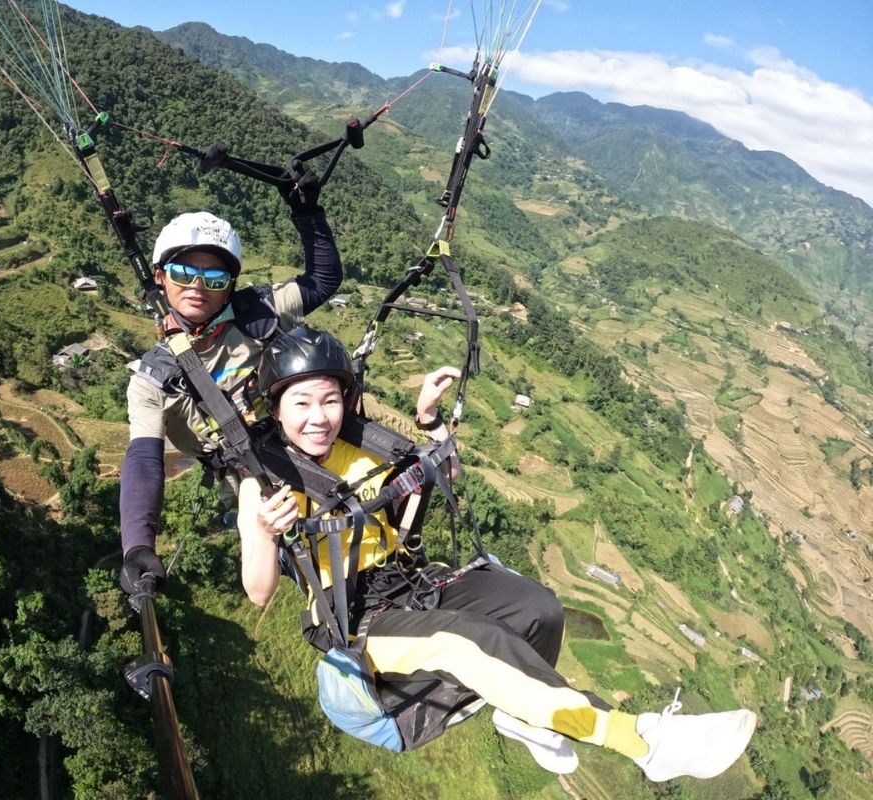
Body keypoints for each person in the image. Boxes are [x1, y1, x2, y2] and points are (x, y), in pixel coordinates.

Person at [236, 325, 758, 781]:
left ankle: (526, 714)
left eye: (328, 399)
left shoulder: (363, 444)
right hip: (353, 619)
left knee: (539, 608)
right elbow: (259, 593)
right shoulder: (263, 483)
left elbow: (446, 473)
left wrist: (428, 417)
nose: (318, 417)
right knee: (463, 643)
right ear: (276, 408)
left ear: (346, 400)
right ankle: (642, 741)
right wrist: (262, 530)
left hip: (411, 580)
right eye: (300, 403)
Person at [119, 183, 342, 596]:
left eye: (215, 277)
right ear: (160, 278)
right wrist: (138, 546)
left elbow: (323, 280)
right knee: (268, 542)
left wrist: (308, 213)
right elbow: (144, 463)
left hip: (304, 430)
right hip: (249, 469)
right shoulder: (154, 380)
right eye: (184, 273)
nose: (198, 287)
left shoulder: (256, 311)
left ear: (230, 284)